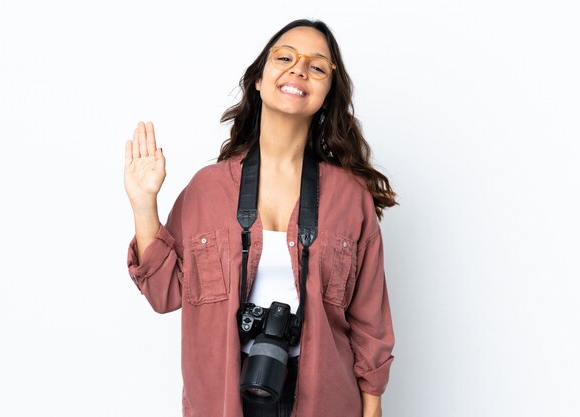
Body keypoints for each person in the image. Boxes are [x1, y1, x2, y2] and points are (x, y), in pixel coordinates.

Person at [123, 19, 397, 417]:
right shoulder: (208, 188)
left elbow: (371, 323)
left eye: (317, 66)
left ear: (327, 93)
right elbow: (164, 294)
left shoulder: (350, 200)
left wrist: (372, 411)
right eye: (285, 57)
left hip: (324, 398)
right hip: (222, 396)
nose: (299, 69)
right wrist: (143, 203)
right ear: (258, 78)